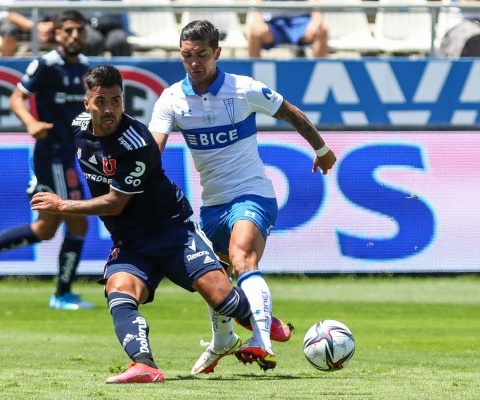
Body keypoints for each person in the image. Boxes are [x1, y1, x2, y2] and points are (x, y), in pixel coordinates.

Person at [31, 64, 258, 384]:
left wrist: (62, 205)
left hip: (171, 231)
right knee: (118, 291)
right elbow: (52, 142)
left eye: (115, 100)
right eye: (101, 101)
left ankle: (266, 325)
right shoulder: (79, 125)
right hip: (130, 241)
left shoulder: (136, 141)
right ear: (87, 103)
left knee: (225, 299)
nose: (109, 109)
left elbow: (115, 203)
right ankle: (145, 365)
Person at [148, 20, 337, 374]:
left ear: (217, 52)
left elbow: (291, 113)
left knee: (242, 259)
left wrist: (322, 149)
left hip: (253, 194)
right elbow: (151, 151)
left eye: (202, 54)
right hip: (213, 204)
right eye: (187, 55)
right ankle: (223, 339)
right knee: (215, 279)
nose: (194, 63)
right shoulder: (171, 99)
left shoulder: (244, 89)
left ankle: (261, 341)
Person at [0, 10, 93, 310]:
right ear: (57, 34)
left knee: (45, 229)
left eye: (79, 30)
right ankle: (62, 294)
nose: (73, 36)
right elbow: (16, 97)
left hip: (68, 155)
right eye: (68, 30)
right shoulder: (46, 65)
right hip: (51, 156)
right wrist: (31, 122)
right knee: (79, 223)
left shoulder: (86, 68)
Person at [247, 0, 328, 58]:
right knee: (255, 31)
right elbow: (256, 4)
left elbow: (316, 4)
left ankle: (321, 71)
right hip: (273, 22)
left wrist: (317, 21)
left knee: (321, 31)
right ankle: (253, 74)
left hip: (301, 20)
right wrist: (258, 21)